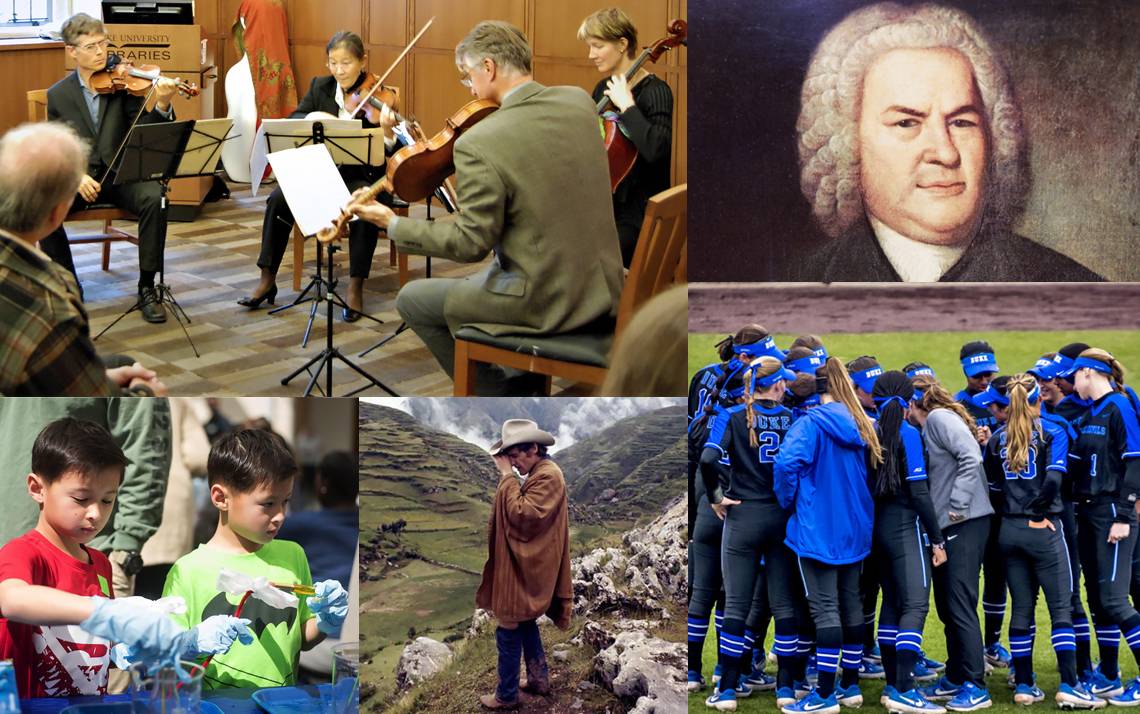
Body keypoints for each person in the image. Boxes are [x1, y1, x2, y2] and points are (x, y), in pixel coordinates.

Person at [349, 21, 624, 395]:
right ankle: (519, 376)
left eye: (468, 77)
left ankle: (499, 395)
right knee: (484, 279)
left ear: (489, 68)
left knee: (413, 299)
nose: (471, 88)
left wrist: (392, 224)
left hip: (548, 302)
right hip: (605, 287)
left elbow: (470, 243)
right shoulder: (578, 102)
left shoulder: (481, 142)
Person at [795, 3, 1101, 282]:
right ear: (848, 145)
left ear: (994, 138)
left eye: (961, 122)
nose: (945, 152)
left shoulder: (1071, 284)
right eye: (907, 123)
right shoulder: (798, 285)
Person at [0, 418, 247, 697]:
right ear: (37, 488)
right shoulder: (24, 552)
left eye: (107, 500)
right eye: (81, 499)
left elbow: (99, 652)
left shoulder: (101, 564)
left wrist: (182, 642)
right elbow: (12, 600)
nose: (95, 513)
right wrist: (102, 612)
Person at [162, 429, 349, 689]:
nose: (281, 515)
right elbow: (167, 655)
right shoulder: (188, 570)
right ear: (220, 498)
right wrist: (190, 643)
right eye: (268, 504)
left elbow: (302, 638)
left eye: (285, 501)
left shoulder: (292, 555)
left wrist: (324, 622)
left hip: (278, 705)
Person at [238, 30, 397, 321]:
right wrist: (316, 119)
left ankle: (355, 287)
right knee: (277, 199)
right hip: (320, 173)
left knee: (362, 205)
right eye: (333, 63)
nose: (338, 70)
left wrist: (387, 132)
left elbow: (390, 153)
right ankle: (267, 278)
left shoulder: (378, 96)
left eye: (346, 63)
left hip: (362, 176)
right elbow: (296, 119)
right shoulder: (320, 86)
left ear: (363, 61)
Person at [0, 122, 167, 396]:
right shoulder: (53, 301)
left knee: (118, 364)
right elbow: (84, 400)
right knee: (133, 372)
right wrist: (147, 395)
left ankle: (146, 287)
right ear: (56, 215)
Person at [39, 13, 184, 323]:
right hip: (81, 179)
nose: (101, 52)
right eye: (91, 46)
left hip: (121, 175)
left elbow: (141, 130)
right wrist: (75, 176)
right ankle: (69, 286)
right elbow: (57, 144)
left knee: (155, 197)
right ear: (72, 51)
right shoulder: (58, 95)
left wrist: (161, 104)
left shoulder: (122, 84)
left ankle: (147, 286)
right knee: (42, 205)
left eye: (103, 43)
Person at [979, 374, 1104, 709]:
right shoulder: (1052, 431)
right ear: (1037, 399)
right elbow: (1052, 480)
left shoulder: (996, 438)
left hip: (1007, 530)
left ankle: (1024, 685)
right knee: (1060, 607)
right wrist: (1038, 513)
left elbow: (992, 490)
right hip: (1042, 531)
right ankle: (1069, 685)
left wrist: (1013, 515)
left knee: (1021, 609)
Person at [774, 357, 882, 714]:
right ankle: (850, 686)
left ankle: (823, 694)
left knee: (824, 610)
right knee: (851, 603)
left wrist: (790, 501)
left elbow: (787, 465)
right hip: (855, 529)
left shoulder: (809, 425)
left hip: (816, 531)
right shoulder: (864, 424)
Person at [700, 357, 797, 710]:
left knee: (737, 604)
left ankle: (727, 689)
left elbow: (708, 459)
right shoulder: (793, 417)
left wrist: (715, 497)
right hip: (782, 518)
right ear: (776, 385)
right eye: (783, 381)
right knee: (784, 603)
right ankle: (785, 688)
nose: (786, 385)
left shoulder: (732, 415)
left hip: (742, 516)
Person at [908, 374, 995, 710]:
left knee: (958, 604)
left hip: (966, 522)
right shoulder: (935, 423)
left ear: (915, 403)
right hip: (955, 524)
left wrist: (958, 506)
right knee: (947, 604)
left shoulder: (940, 419)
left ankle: (975, 685)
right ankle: (957, 675)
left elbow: (970, 457)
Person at [476, 419, 572, 709]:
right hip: (532, 563)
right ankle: (538, 679)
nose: (514, 464)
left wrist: (506, 477)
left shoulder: (548, 476)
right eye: (510, 459)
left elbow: (523, 515)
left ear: (533, 448)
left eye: (516, 456)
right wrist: (511, 476)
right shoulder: (542, 472)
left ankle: (506, 695)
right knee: (524, 618)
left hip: (532, 565)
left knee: (508, 622)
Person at [868, 371, 947, 714]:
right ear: (907, 400)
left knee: (892, 604)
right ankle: (904, 689)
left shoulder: (868, 430)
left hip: (874, 530)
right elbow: (919, 492)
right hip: (904, 529)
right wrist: (938, 539)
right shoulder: (908, 434)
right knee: (914, 605)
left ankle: (891, 684)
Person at [1070, 349, 1140, 705]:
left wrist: (1124, 518)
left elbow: (1135, 463)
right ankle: (1110, 675)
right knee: (1098, 600)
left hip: (1113, 512)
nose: (1071, 383)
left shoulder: (1120, 407)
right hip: (1090, 513)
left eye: (1075, 376)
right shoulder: (1090, 412)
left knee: (1114, 600)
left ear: (1088, 373)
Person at [578, 7, 673, 267]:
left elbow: (656, 150)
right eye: (590, 46)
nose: (591, 55)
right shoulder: (603, 89)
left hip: (637, 213)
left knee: (591, 258)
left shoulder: (656, 91)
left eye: (597, 46)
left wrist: (627, 106)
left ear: (622, 44)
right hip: (604, 204)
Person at [955, 341, 1010, 670]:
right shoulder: (956, 406)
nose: (986, 379)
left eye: (990, 372)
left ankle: (992, 642)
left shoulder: (1009, 404)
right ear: (965, 372)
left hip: (1004, 507)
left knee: (997, 575)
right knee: (967, 577)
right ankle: (972, 644)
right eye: (979, 375)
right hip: (973, 508)